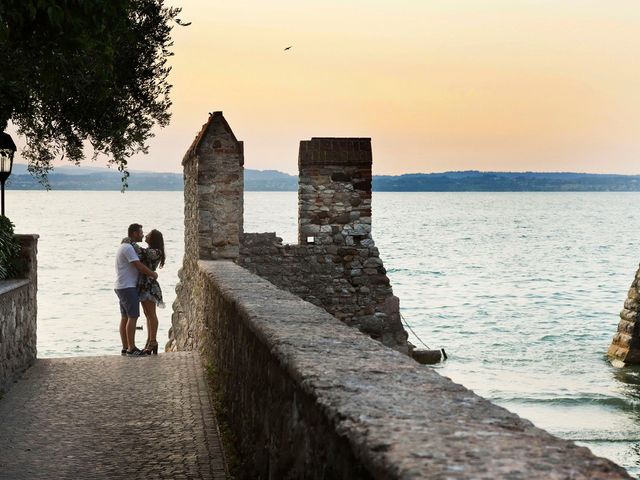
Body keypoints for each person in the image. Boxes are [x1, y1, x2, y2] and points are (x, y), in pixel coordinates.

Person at [115, 223, 158, 357]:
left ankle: (125, 347)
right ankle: (131, 348)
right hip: (128, 287)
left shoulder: (124, 246)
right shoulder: (128, 248)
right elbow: (138, 265)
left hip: (121, 286)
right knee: (133, 317)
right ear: (134, 233)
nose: (142, 234)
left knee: (125, 317)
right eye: (140, 232)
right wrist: (153, 274)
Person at [138, 229, 165, 355]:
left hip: (149, 285)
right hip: (144, 284)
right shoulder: (152, 250)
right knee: (147, 314)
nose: (146, 235)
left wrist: (129, 243)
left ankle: (153, 341)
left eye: (148, 235)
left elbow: (143, 252)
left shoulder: (156, 252)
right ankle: (149, 341)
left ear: (153, 239)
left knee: (151, 314)